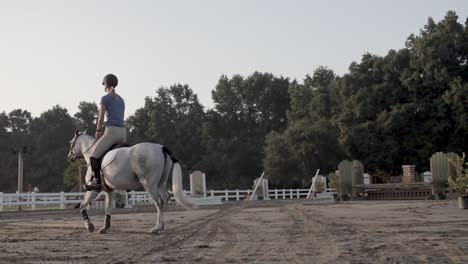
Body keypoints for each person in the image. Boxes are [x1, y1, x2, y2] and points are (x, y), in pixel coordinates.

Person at [86, 73, 126, 190]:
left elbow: (101, 116)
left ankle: (97, 181)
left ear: (105, 85)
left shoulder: (105, 98)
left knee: (93, 156)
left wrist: (98, 130)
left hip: (112, 132)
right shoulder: (121, 100)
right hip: (123, 132)